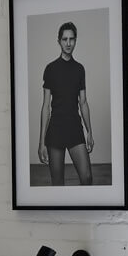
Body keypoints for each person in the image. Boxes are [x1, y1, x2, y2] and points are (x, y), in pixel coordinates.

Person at [38, 22, 94, 185]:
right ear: (59, 41)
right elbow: (45, 106)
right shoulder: (50, 69)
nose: (68, 43)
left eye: (71, 39)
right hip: (55, 130)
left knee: (87, 177)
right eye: (64, 39)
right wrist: (41, 142)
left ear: (75, 40)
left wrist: (90, 131)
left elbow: (83, 102)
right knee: (57, 183)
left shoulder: (79, 69)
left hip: (74, 128)